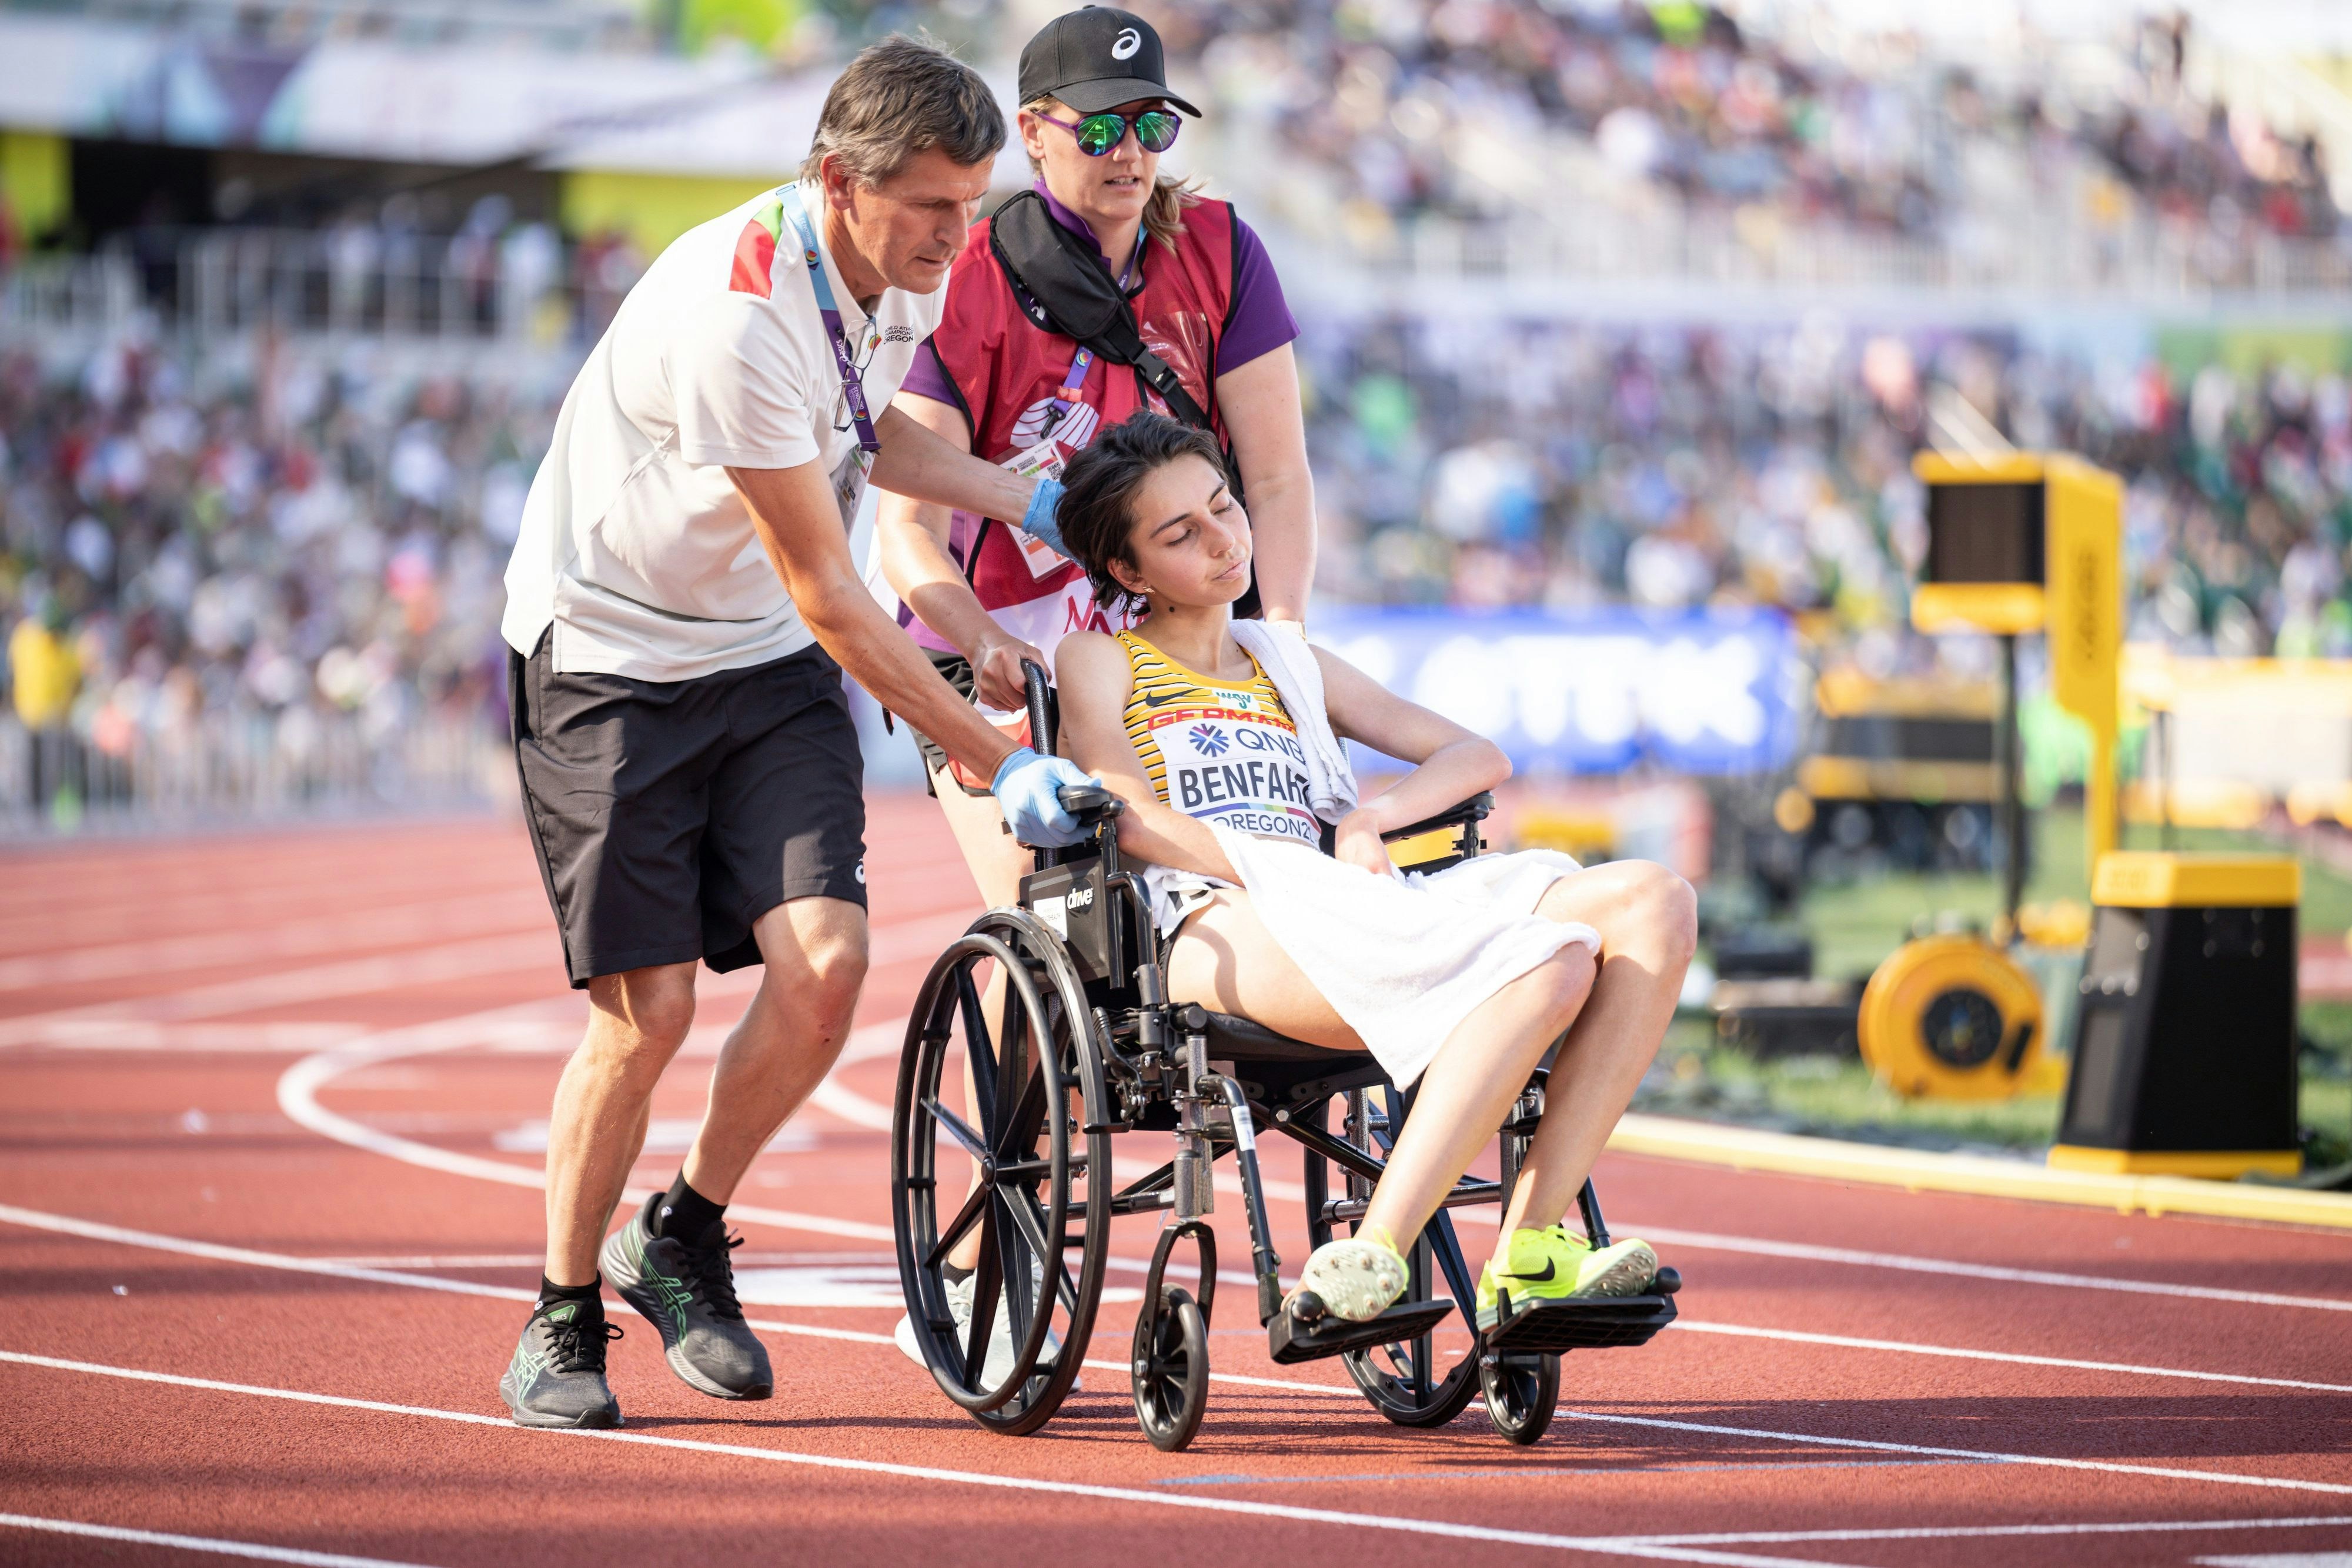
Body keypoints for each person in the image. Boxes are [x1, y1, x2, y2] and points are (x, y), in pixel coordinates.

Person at [494, 36, 1094, 1431]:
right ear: (840, 180)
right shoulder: (740, 311)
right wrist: (994, 755)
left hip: (753, 657)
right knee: (645, 1020)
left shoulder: (882, 273)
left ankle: (683, 1232)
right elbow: (835, 594)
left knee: (825, 966)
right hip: (614, 661)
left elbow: (871, 429)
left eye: (975, 199)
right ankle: (561, 1306)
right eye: (938, 206)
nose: (964, 234)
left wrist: (1020, 498)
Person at [876, 4, 1317, 1372]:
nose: (1129, 153)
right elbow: (905, 518)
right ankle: (1005, 1255)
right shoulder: (968, 273)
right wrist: (970, 641)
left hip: (1175, 620)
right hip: (1002, 636)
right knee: (1042, 921)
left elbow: (1279, 474)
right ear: (1034, 134)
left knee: (1248, 864)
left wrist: (1280, 647)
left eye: (1149, 127)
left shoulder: (1219, 249)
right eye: (1098, 129)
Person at [1051, 413, 1696, 1326]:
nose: (1223, 539)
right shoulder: (1099, 658)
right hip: (1214, 918)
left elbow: (1474, 757)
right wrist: (1285, 871)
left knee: (1654, 901)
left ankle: (1534, 1245)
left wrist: (1370, 818)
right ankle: (1375, 1250)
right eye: (1179, 535)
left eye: (1223, 507)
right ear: (1128, 571)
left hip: (1344, 898)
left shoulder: (1291, 661)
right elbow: (1134, 817)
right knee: (1548, 962)